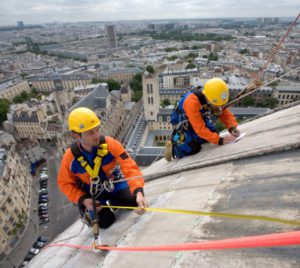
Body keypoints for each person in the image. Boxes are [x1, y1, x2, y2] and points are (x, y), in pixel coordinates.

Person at [57, 107, 148, 230]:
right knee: (106, 222)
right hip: (91, 193)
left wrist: (139, 192)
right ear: (76, 135)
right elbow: (65, 184)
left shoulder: (110, 144)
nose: (96, 135)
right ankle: (89, 214)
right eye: (90, 133)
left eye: (97, 130)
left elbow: (129, 167)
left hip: (111, 183)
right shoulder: (70, 157)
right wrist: (84, 200)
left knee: (133, 201)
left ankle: (117, 201)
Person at [165, 78, 240, 161]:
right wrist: (219, 140)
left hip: (198, 117)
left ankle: (192, 138)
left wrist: (232, 127)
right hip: (182, 121)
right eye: (216, 104)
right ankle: (173, 145)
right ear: (209, 99)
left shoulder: (212, 97)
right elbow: (199, 128)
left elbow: (224, 113)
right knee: (192, 148)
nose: (218, 107)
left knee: (213, 134)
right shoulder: (191, 102)